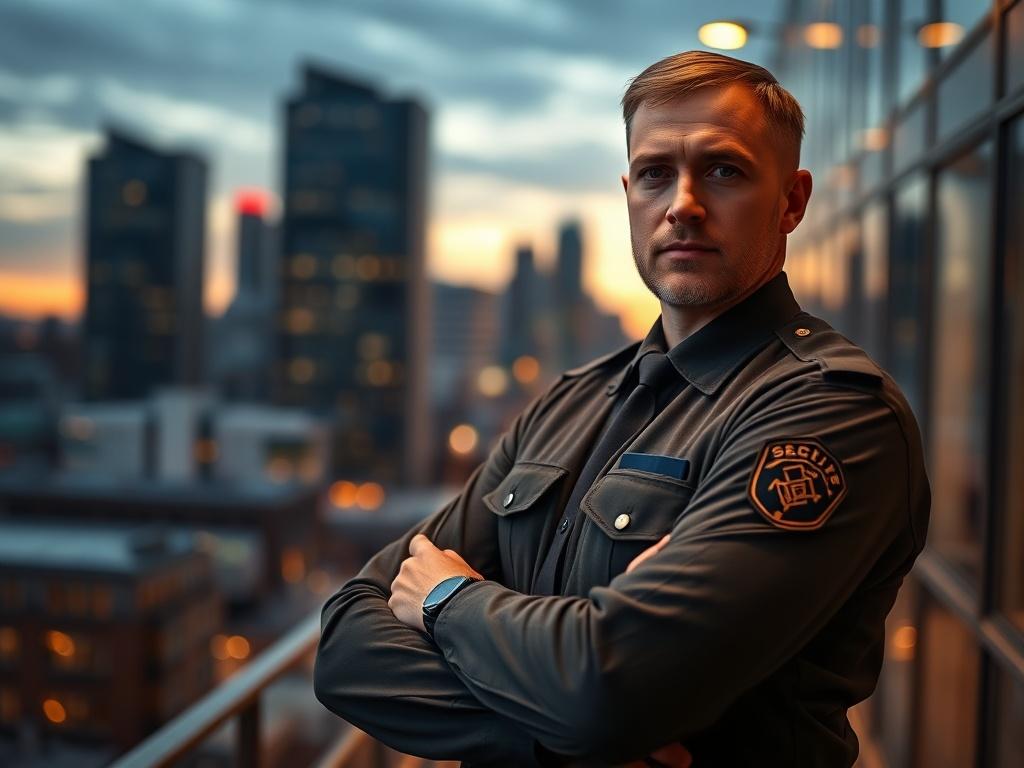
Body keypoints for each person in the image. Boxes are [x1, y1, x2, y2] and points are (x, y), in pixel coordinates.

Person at [313, 50, 930, 768]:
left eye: (724, 171)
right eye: (655, 173)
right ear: (629, 191)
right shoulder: (566, 402)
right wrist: (563, 738)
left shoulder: (829, 415)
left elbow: (611, 690)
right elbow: (347, 644)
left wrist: (449, 598)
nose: (683, 204)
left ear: (792, 201)